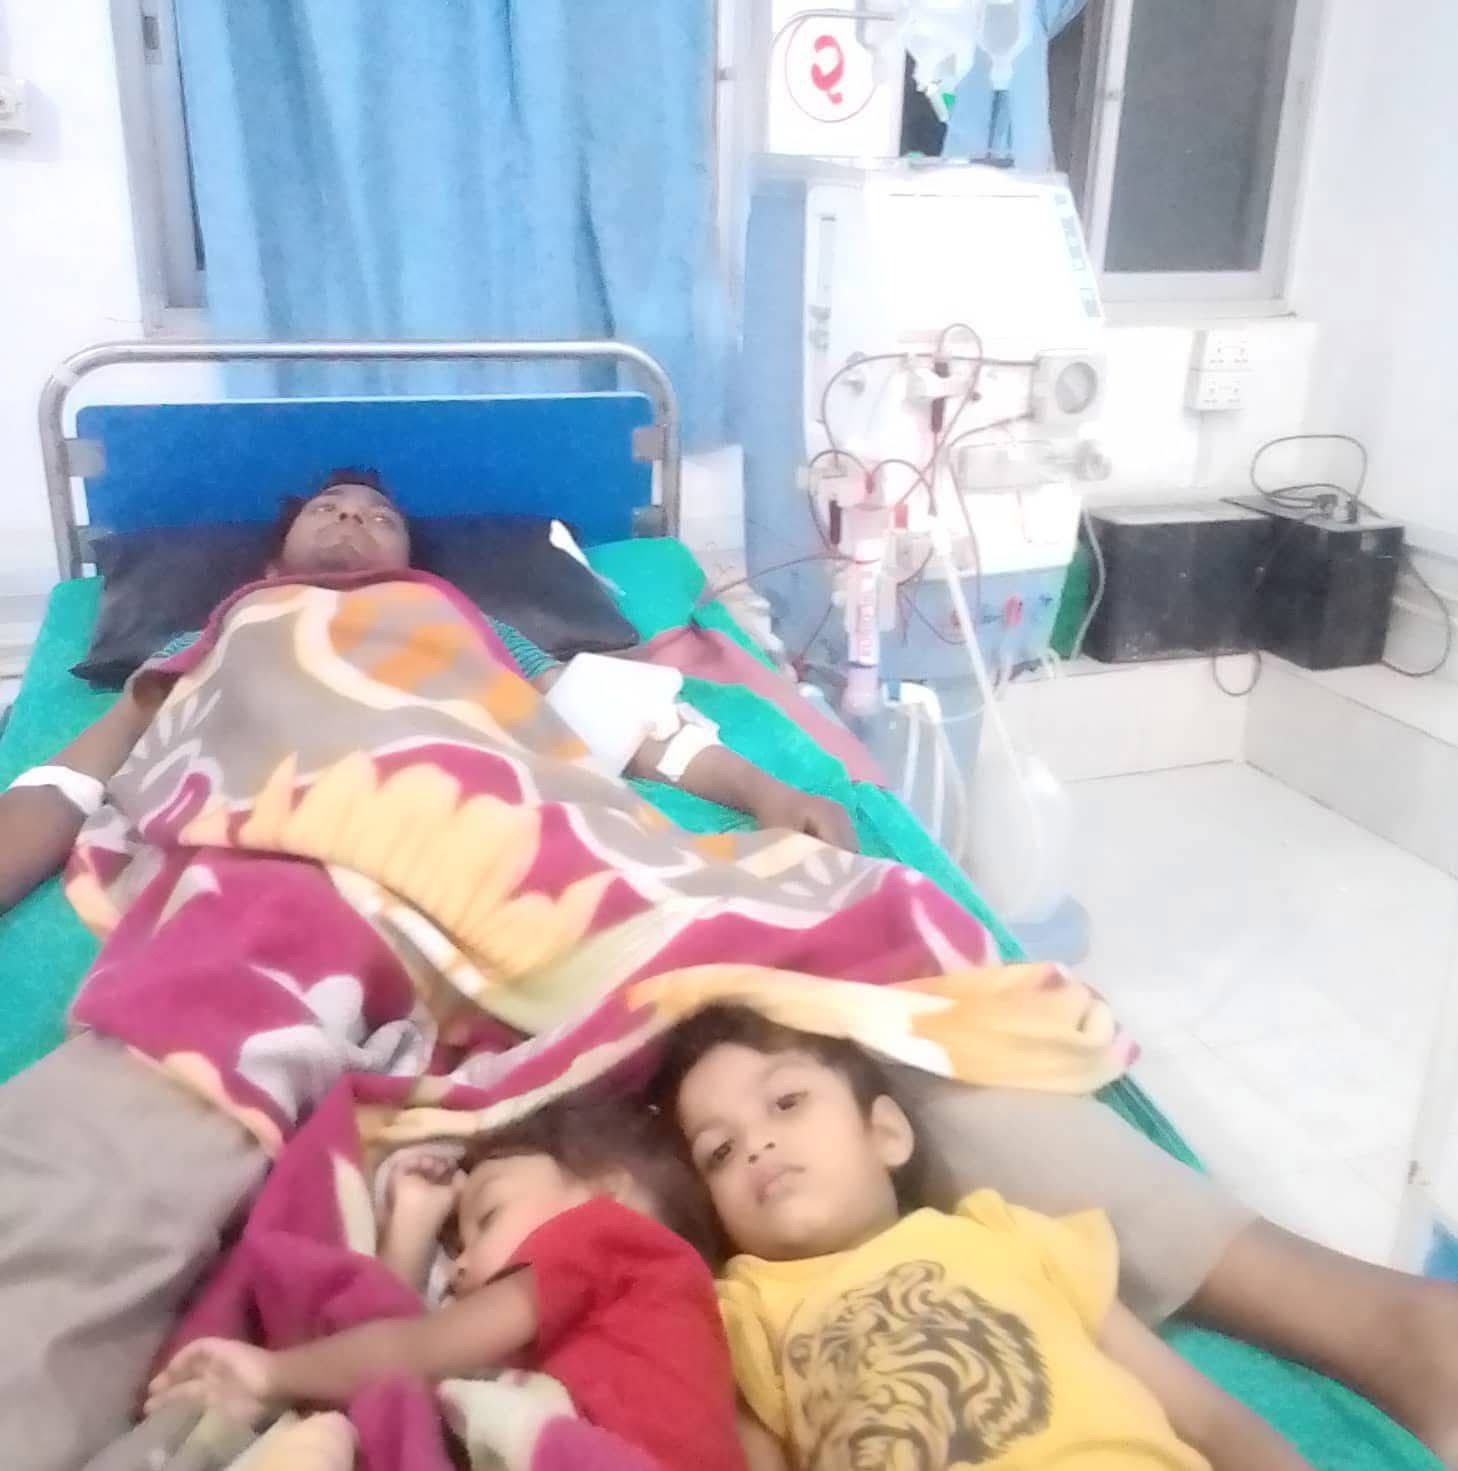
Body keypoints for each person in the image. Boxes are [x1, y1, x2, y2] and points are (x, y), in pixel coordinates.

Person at [3, 471, 1458, 1467]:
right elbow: (67, 785)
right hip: (283, 853)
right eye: (325, 508)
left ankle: (1374, 1319)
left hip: (527, 847)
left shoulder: (468, 620)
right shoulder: (210, 637)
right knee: (168, 1061)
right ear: (275, 550)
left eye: (375, 509)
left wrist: (762, 792)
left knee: (810, 997)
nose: (349, 517)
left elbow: (624, 727)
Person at [657, 1004, 1311, 1471]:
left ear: (886, 1132)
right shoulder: (743, 1308)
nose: (756, 1144)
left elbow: (1206, 1416)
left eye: (786, 1102)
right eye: (719, 1151)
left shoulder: (1005, 1233)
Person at [144, 1098, 746, 1471]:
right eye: (455, 1248)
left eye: (489, 1215)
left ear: (606, 1194)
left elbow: (417, 1351)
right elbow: (394, 1364)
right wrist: (411, 1231)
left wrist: (271, 1374)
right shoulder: (622, 1345)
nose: (458, 1269)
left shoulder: (610, 1239)